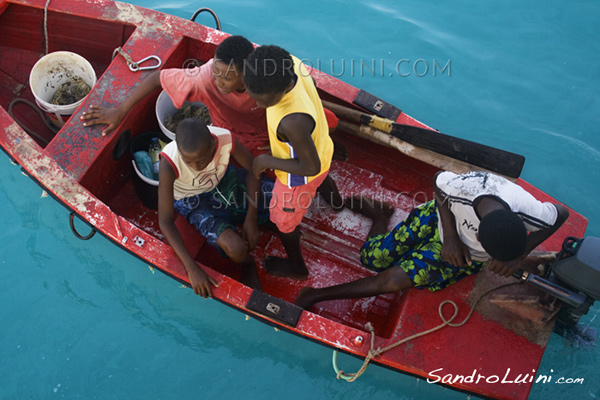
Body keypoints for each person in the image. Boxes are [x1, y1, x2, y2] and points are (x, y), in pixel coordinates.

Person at [294, 170, 569, 308]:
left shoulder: (531, 211)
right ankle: (381, 215)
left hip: (464, 254)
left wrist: (518, 255)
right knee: (371, 258)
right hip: (440, 219)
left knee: (393, 280)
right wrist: (450, 236)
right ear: (479, 230)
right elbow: (438, 182)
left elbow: (561, 214)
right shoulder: (465, 188)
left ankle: (315, 296)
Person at [243, 44, 343, 281]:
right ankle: (337, 204)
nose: (256, 104)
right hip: (321, 146)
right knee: (321, 178)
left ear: (283, 89)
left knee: (283, 221)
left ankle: (297, 267)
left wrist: (267, 159)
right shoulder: (293, 63)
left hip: (299, 177)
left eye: (263, 101)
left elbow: (310, 167)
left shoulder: (292, 123)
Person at [80, 35, 269, 156]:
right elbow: (156, 78)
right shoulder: (204, 77)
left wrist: (282, 142)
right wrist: (120, 110)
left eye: (227, 78)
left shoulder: (267, 83)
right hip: (226, 135)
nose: (218, 81)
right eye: (216, 72)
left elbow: (291, 108)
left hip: (265, 140)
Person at [158, 118, 272, 298]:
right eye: (189, 162)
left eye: (202, 160)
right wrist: (191, 268)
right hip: (191, 199)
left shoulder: (225, 139)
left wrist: (251, 217)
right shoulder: (168, 163)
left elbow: (253, 170)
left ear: (213, 145)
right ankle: (248, 264)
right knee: (235, 248)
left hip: (222, 180)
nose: (196, 167)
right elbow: (164, 220)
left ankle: (252, 218)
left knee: (282, 200)